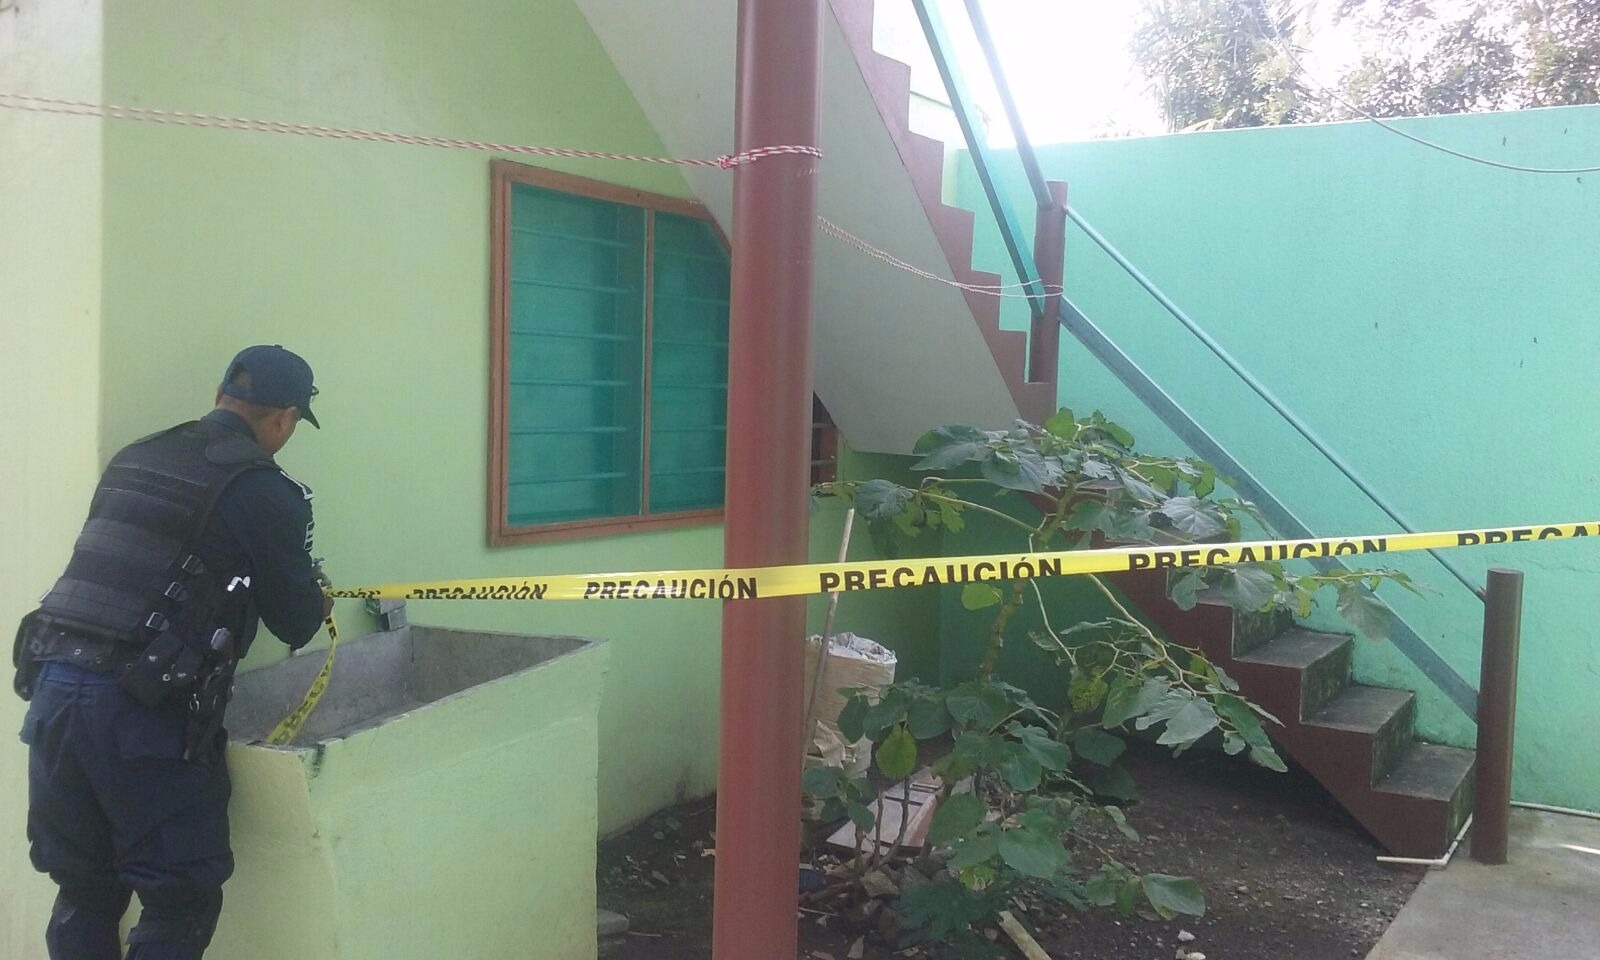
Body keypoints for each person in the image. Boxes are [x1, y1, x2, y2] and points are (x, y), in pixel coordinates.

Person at [11, 344, 331, 960]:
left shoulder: (135, 456)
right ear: (285, 418)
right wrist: (316, 597)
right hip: (140, 711)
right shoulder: (265, 490)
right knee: (179, 900)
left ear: (219, 397)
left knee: (85, 890)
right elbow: (294, 621)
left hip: (52, 688)